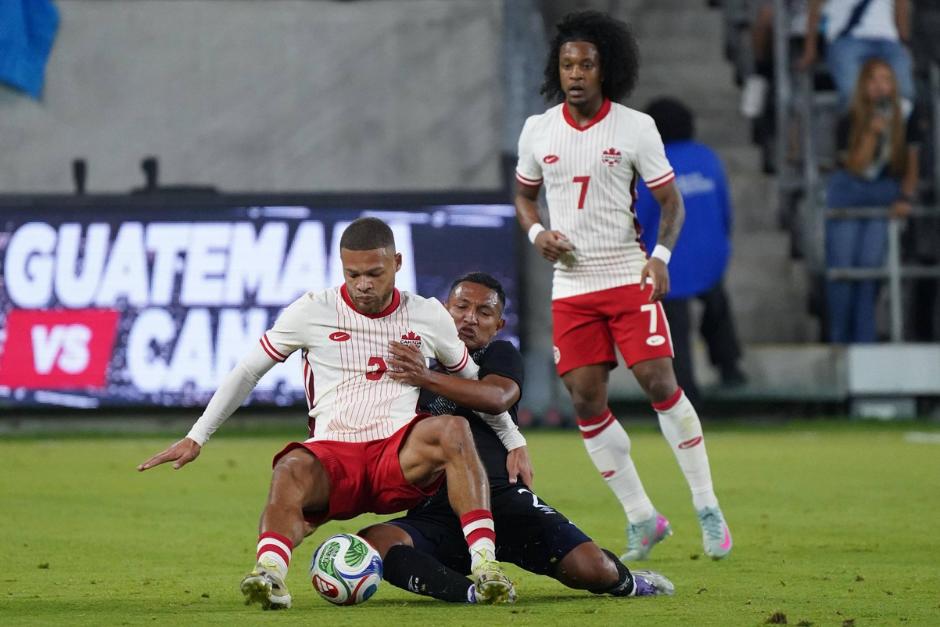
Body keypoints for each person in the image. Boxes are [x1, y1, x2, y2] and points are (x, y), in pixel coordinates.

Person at [137, 218, 524, 608]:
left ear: (397, 263)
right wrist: (197, 436)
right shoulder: (311, 310)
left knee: (453, 428)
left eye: (374, 273)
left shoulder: (427, 314)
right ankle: (269, 574)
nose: (363, 284)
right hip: (335, 455)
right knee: (289, 466)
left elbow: (473, 383)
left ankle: (486, 566)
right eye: (353, 274)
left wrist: (513, 441)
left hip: (398, 455)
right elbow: (249, 371)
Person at [514, 10, 732, 561]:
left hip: (626, 274)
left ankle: (707, 505)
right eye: (567, 64)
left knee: (659, 382)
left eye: (586, 64)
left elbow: (671, 203)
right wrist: (538, 232)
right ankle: (642, 517)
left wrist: (660, 257)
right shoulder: (538, 130)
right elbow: (523, 196)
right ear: (557, 69)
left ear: (605, 69)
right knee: (585, 399)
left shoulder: (635, 127)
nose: (576, 73)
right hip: (572, 285)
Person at [359, 272, 674, 602]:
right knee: (376, 543)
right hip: (437, 509)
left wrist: (424, 377)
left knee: (593, 569)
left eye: (484, 312)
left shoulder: (498, 355)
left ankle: (629, 581)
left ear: (498, 325)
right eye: (461, 307)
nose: (470, 318)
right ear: (443, 310)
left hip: (504, 501)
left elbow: (496, 397)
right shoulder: (414, 365)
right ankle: (474, 593)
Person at [636, 97, 747, 402]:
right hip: (710, 254)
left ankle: (685, 389)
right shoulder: (707, 158)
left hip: (669, 261)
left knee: (675, 326)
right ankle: (729, 366)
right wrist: (721, 244)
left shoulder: (650, 168)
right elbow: (724, 208)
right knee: (716, 305)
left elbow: (640, 218)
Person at [825, 58, 921, 342]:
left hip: (883, 193)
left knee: (869, 270)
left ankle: (864, 340)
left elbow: (912, 164)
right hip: (849, 191)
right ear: (864, 85)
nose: (881, 87)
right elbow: (855, 166)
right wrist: (871, 133)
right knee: (844, 269)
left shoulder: (906, 115)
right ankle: (839, 340)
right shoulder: (849, 118)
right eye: (874, 80)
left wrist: (905, 197)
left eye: (886, 80)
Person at [801, 0, 915, 109]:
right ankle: (856, 121)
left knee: (905, 93)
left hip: (888, 40)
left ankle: (893, 121)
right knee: (851, 93)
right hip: (846, 39)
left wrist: (904, 42)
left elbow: (901, 5)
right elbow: (814, 8)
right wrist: (809, 51)